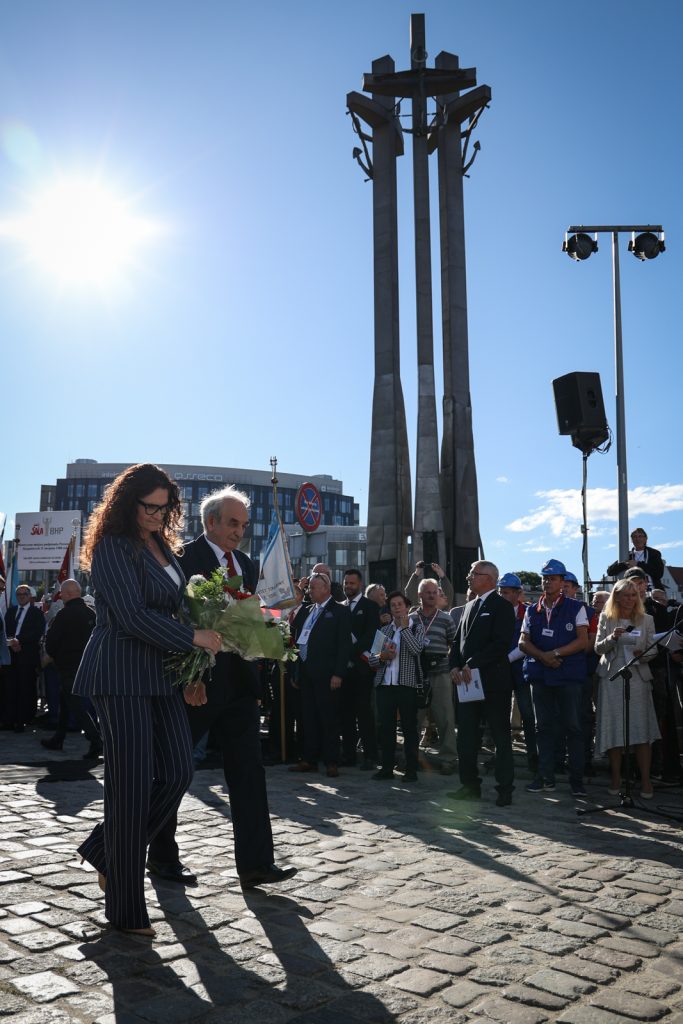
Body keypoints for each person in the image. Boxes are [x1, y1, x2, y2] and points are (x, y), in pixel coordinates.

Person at [74, 463, 221, 936]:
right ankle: (125, 910)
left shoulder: (163, 546)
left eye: (164, 508)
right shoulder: (111, 547)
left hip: (162, 675)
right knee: (130, 788)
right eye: (149, 507)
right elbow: (132, 617)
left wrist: (194, 672)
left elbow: (177, 610)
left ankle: (104, 849)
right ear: (127, 503)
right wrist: (194, 639)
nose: (158, 515)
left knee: (178, 772)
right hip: (119, 674)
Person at [149, 485, 297, 891]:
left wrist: (274, 626)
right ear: (211, 521)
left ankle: (256, 863)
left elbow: (249, 618)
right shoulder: (182, 558)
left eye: (244, 525)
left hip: (241, 686)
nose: (239, 532)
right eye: (233, 523)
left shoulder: (246, 564)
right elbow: (175, 619)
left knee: (249, 772)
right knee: (174, 771)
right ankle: (161, 856)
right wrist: (190, 677)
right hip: (197, 684)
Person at [520, 559, 589, 799]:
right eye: (545, 578)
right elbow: (523, 642)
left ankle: (577, 781)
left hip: (568, 676)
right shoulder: (532, 609)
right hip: (541, 676)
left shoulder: (576, 607)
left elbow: (583, 641)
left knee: (573, 727)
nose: (548, 582)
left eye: (553, 578)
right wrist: (543, 657)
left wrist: (556, 654)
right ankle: (545, 777)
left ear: (562, 582)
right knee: (543, 728)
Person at [449, 561, 516, 806]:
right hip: (467, 683)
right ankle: (469, 786)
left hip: (494, 683)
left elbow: (501, 643)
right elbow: (457, 642)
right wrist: (454, 665)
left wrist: (473, 663)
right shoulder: (468, 606)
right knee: (466, 737)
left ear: (489, 578)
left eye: (473, 573)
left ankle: (505, 789)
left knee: (500, 736)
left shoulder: (503, 606)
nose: (469, 577)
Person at [594, 578, 660, 798]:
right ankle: (616, 778)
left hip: (638, 678)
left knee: (641, 730)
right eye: (626, 595)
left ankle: (645, 780)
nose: (630, 599)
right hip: (612, 678)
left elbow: (653, 650)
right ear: (617, 597)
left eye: (634, 595)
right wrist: (612, 638)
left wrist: (644, 655)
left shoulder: (646, 619)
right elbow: (598, 648)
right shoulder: (607, 617)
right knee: (614, 728)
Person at [290, 571, 352, 777]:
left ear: (326, 588)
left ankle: (331, 760)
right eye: (309, 588)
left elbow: (344, 645)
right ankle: (310, 759)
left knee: (328, 718)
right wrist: (296, 672)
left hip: (328, 675)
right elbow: (297, 638)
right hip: (306, 673)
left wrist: (338, 674)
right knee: (308, 718)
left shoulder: (340, 611)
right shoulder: (307, 610)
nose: (310, 591)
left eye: (313, 587)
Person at [41, 579, 101, 758]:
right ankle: (58, 738)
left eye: (61, 593)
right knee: (66, 703)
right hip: (87, 665)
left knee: (75, 706)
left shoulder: (64, 614)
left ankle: (96, 741)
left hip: (68, 667)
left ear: (66, 594)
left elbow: (51, 643)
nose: (60, 596)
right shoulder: (91, 613)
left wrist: (53, 655)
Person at [369, 591, 425, 782]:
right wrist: (382, 657)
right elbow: (372, 660)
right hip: (385, 685)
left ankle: (411, 770)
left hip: (407, 686)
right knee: (386, 729)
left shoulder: (416, 627)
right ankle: (386, 768)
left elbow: (416, 650)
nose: (397, 608)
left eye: (400, 604)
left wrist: (404, 629)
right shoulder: (384, 631)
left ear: (407, 607)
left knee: (409, 729)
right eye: (393, 605)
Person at [414, 577, 458, 774]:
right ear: (420, 595)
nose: (432, 596)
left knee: (445, 718)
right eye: (428, 592)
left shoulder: (446, 618)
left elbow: (454, 645)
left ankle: (448, 759)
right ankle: (411, 756)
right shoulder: (411, 618)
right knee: (414, 718)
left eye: (435, 592)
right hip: (416, 675)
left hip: (440, 673)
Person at [340, 568, 380, 769]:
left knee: (364, 714)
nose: (348, 586)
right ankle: (349, 755)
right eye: (346, 583)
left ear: (360, 585)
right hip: (343, 671)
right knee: (346, 714)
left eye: (352, 583)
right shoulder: (339, 607)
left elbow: (371, 635)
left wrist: (350, 652)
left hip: (362, 670)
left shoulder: (370, 606)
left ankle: (370, 756)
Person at [498, 573, 537, 772]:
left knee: (528, 715)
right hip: (501, 671)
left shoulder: (528, 612)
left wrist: (506, 659)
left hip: (521, 671)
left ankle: (533, 757)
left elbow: (527, 642)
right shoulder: (495, 612)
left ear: (517, 593)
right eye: (501, 592)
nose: (502, 596)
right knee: (500, 716)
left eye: (506, 592)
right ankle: (501, 757)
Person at [2, 584, 45, 732]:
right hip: (11, 655)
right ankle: (9, 720)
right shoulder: (11, 611)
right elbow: (5, 630)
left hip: (27, 656)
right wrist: (11, 642)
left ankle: (23, 720)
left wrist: (19, 640)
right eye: (19, 595)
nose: (21, 597)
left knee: (25, 688)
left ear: (29, 596)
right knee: (10, 688)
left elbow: (38, 632)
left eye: (24, 594)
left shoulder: (36, 613)